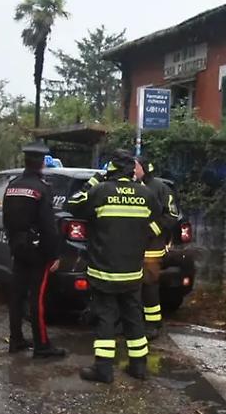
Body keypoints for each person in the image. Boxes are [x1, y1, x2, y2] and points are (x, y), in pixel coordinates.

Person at [69, 150, 162, 383]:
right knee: (134, 318)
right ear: (131, 170)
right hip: (132, 272)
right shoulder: (146, 193)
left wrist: (94, 180)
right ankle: (138, 366)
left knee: (105, 319)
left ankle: (103, 370)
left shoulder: (100, 191)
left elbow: (74, 204)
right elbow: (159, 216)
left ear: (110, 169)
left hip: (104, 272)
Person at [3, 141, 66, 359]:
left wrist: (14, 243)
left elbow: (6, 219)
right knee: (36, 297)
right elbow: (48, 226)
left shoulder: (12, 186)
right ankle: (42, 345)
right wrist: (55, 254)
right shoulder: (42, 188)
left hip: (17, 247)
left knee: (16, 295)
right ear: (41, 163)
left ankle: (16, 339)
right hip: (37, 250)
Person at [135, 155, 181, 339]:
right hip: (135, 247)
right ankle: (139, 321)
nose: (133, 170)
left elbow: (171, 215)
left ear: (144, 168)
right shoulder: (134, 187)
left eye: (135, 166)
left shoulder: (160, 188)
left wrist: (151, 230)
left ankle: (152, 324)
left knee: (149, 285)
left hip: (152, 248)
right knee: (136, 287)